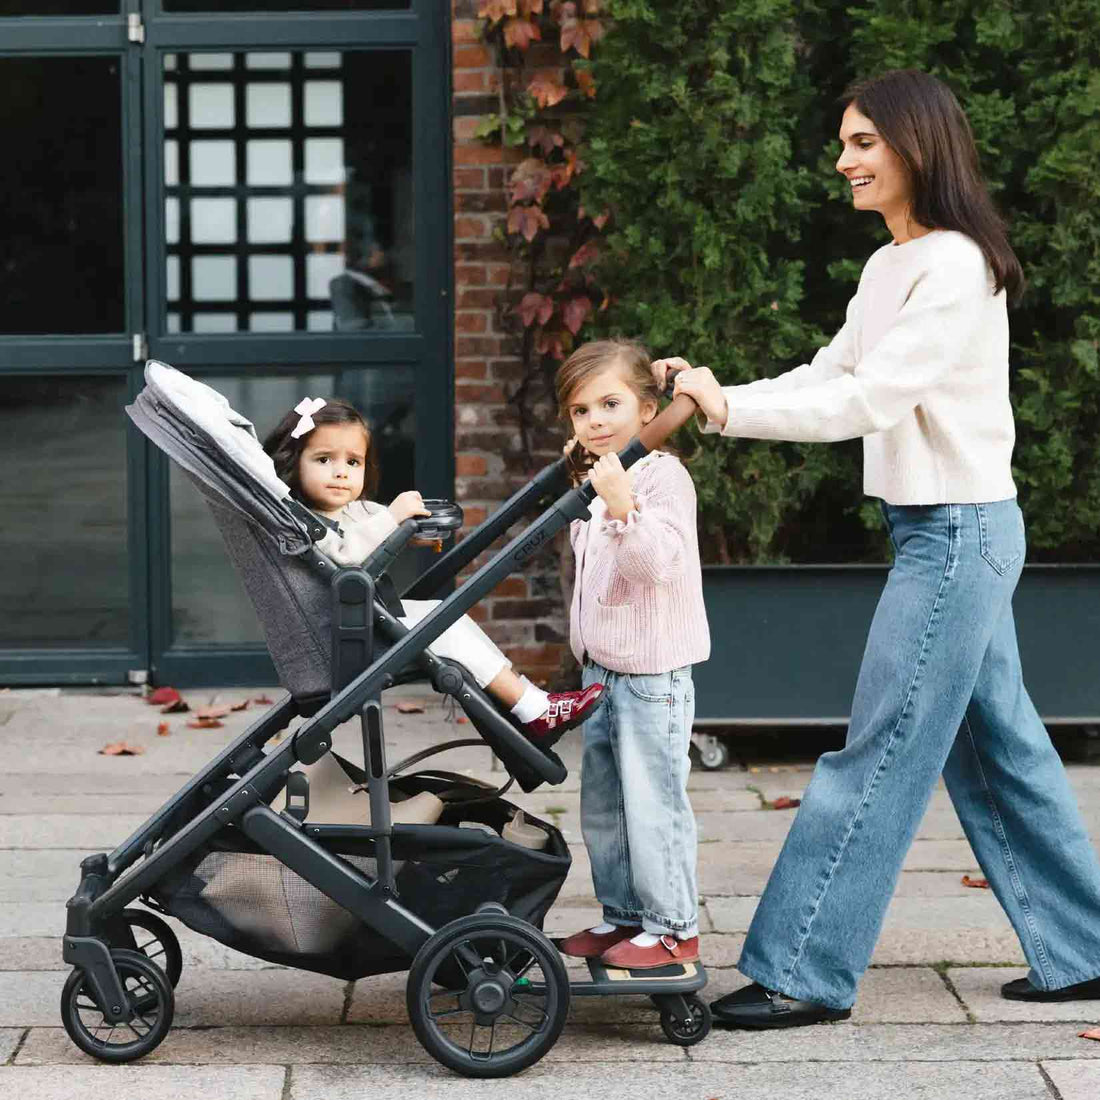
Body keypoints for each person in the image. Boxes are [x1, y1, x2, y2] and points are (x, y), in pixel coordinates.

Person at [654, 68, 1100, 1027]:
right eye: (845, 143)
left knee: (881, 749)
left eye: (863, 143)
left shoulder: (953, 264)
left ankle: (804, 971)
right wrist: (718, 392)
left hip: (958, 533)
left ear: (915, 148)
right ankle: (1082, 950)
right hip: (938, 529)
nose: (845, 160)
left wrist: (724, 411)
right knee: (999, 747)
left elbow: (871, 399)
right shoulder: (890, 265)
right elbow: (831, 370)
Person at [262, 397, 605, 745]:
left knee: (450, 617)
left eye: (353, 461)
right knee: (445, 629)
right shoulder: (303, 521)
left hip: (363, 623)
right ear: (295, 463)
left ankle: (522, 702)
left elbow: (373, 530)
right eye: (324, 460)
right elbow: (347, 552)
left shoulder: (352, 509)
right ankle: (534, 709)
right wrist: (393, 517)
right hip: (346, 638)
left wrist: (407, 536)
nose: (341, 472)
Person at [554, 338, 711, 969]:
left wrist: (621, 506)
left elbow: (658, 566)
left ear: (648, 409)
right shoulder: (597, 474)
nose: (595, 421)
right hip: (602, 670)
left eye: (611, 403)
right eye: (581, 410)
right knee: (606, 805)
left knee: (653, 803)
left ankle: (672, 926)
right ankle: (624, 916)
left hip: (653, 676)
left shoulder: (662, 477)